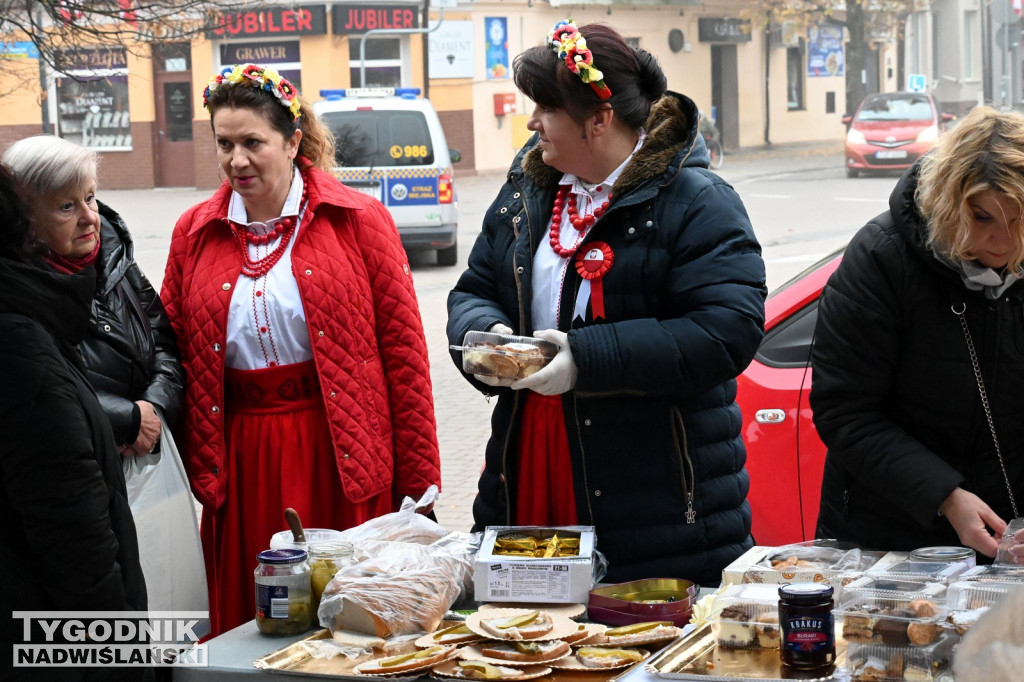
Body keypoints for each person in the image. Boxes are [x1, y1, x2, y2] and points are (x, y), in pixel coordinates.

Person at [446, 21, 766, 586]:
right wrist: (486, 335)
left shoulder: (698, 202)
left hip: (654, 494)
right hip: (529, 460)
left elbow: (724, 333)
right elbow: (473, 288)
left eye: (547, 108)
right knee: (527, 644)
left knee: (631, 654)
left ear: (599, 119)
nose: (532, 121)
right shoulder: (527, 191)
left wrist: (585, 359)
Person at [162, 63, 441, 635]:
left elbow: (405, 357)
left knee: (346, 627)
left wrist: (419, 482)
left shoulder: (359, 221)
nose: (236, 160)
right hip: (242, 461)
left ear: (293, 142)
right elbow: (168, 345)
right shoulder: (194, 231)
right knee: (256, 624)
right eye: (224, 144)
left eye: (252, 143)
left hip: (337, 452)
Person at [811, 105, 1024, 558]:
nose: (1002, 240)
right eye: (982, 218)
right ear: (949, 202)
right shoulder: (882, 257)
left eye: (1018, 218)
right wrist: (945, 496)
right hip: (890, 537)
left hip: (1011, 539)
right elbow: (845, 410)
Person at [0, 162, 148, 678]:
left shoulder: (45, 307)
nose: (90, 218)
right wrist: (121, 653)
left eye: (91, 198)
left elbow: (163, 342)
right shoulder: (19, 337)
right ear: (24, 227)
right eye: (66, 205)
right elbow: (69, 525)